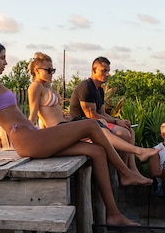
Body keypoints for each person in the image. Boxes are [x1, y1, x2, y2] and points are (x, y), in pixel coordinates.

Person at [0, 41, 151, 226]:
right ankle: (125, 172)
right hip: (29, 140)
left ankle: (113, 214)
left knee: (97, 151)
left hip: (33, 137)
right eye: (2, 57)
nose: (6, 62)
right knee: (91, 125)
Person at [28, 52, 157, 163]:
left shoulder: (47, 86)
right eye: (48, 70)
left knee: (102, 130)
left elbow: (48, 114)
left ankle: (129, 171)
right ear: (37, 70)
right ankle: (138, 152)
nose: (52, 73)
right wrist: (29, 137)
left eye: (53, 70)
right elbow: (34, 115)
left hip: (64, 124)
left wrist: (64, 117)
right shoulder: (35, 87)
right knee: (99, 126)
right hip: (57, 130)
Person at [69, 56, 137, 167]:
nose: (107, 74)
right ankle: (123, 171)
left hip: (97, 124)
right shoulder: (86, 87)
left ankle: (132, 169)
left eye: (108, 71)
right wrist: (115, 122)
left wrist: (119, 121)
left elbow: (102, 113)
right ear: (94, 70)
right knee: (123, 134)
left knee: (130, 131)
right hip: (81, 128)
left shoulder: (99, 90)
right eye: (104, 71)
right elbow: (92, 116)